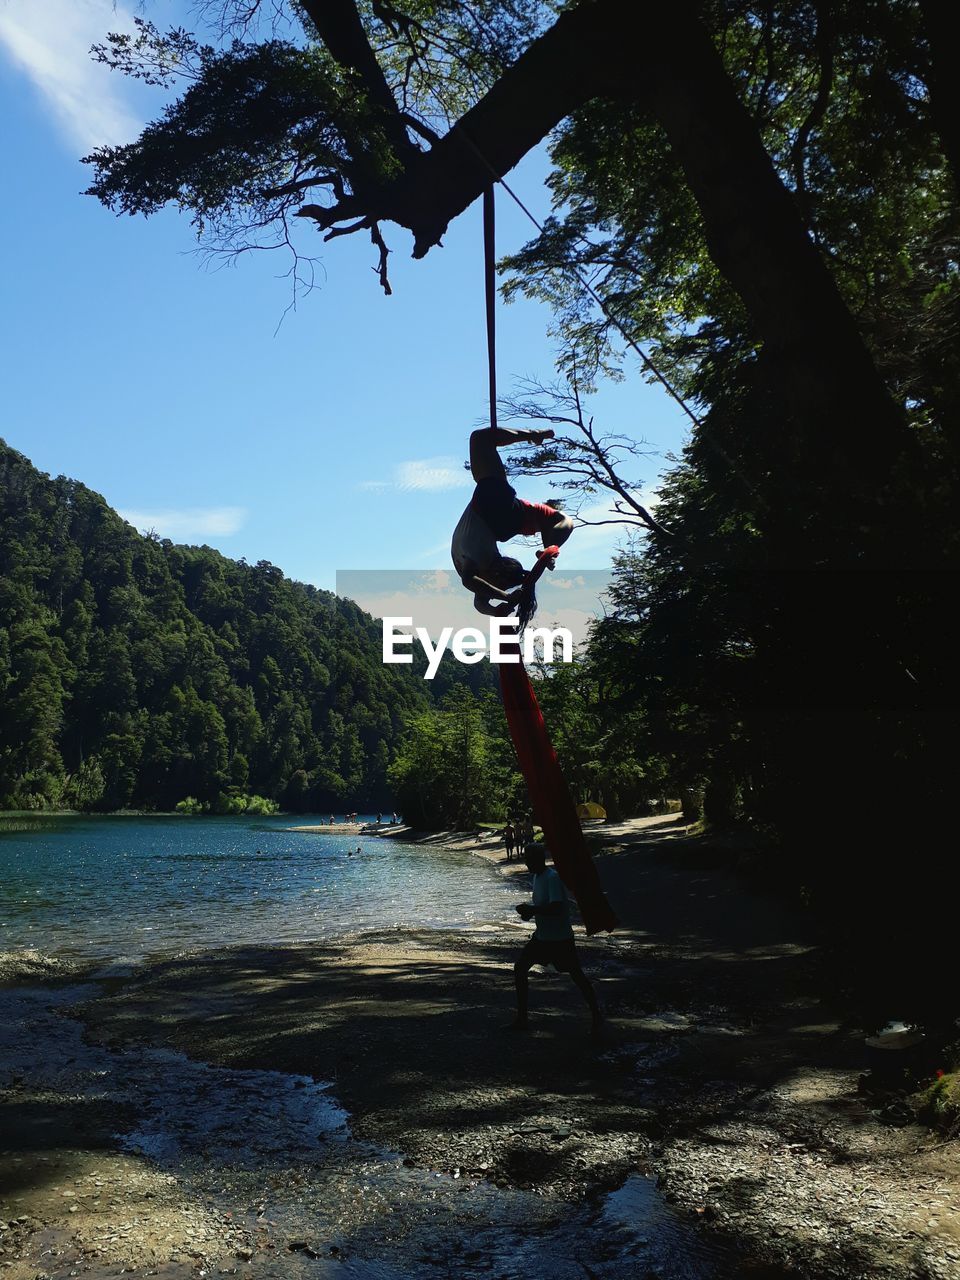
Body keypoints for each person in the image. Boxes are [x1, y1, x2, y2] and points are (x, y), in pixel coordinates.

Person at [451, 427, 574, 621]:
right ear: (499, 572)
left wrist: (498, 607)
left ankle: (532, 435)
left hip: (493, 510)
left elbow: (476, 596)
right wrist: (502, 600)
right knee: (479, 439)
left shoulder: (478, 569)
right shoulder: (482, 564)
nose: (492, 587)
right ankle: (550, 548)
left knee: (561, 520)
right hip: (492, 509)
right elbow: (477, 595)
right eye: (498, 584)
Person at [511, 843, 602, 1037]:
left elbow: (557, 908)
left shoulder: (552, 878)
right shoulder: (536, 877)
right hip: (542, 938)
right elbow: (543, 907)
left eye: (528, 860)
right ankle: (522, 1019)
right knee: (520, 968)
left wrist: (532, 910)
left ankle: (596, 1016)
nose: (526, 863)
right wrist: (530, 913)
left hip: (560, 939)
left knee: (577, 975)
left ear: (538, 859)